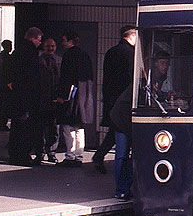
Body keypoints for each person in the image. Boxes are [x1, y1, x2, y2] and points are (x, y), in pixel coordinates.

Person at [92, 25, 136, 174]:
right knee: (119, 130)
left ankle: (99, 156)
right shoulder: (131, 53)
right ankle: (100, 156)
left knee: (114, 130)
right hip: (124, 100)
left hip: (112, 98)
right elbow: (131, 78)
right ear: (132, 35)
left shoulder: (111, 51)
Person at [55, 30, 95, 167]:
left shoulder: (68, 55)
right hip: (84, 96)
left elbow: (65, 78)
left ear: (70, 41)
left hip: (71, 96)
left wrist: (61, 96)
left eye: (64, 40)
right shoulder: (85, 55)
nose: (62, 43)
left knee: (68, 126)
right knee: (80, 127)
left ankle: (70, 155)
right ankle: (79, 155)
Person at [8, 27, 43, 166]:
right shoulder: (31, 52)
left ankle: (14, 154)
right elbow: (32, 75)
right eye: (39, 40)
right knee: (26, 126)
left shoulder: (17, 51)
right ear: (32, 38)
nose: (39, 43)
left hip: (18, 95)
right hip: (27, 95)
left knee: (17, 126)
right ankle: (23, 155)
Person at [34, 37, 61, 164]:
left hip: (54, 100)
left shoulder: (59, 60)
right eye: (48, 46)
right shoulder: (38, 61)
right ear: (43, 47)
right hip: (41, 99)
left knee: (54, 129)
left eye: (53, 46)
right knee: (40, 129)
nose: (50, 48)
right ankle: (40, 153)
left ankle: (52, 152)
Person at [109, 84, 134, 199]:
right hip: (121, 122)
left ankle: (125, 187)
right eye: (162, 63)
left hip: (126, 121)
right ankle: (121, 190)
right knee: (122, 155)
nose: (165, 66)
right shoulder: (141, 85)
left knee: (126, 156)